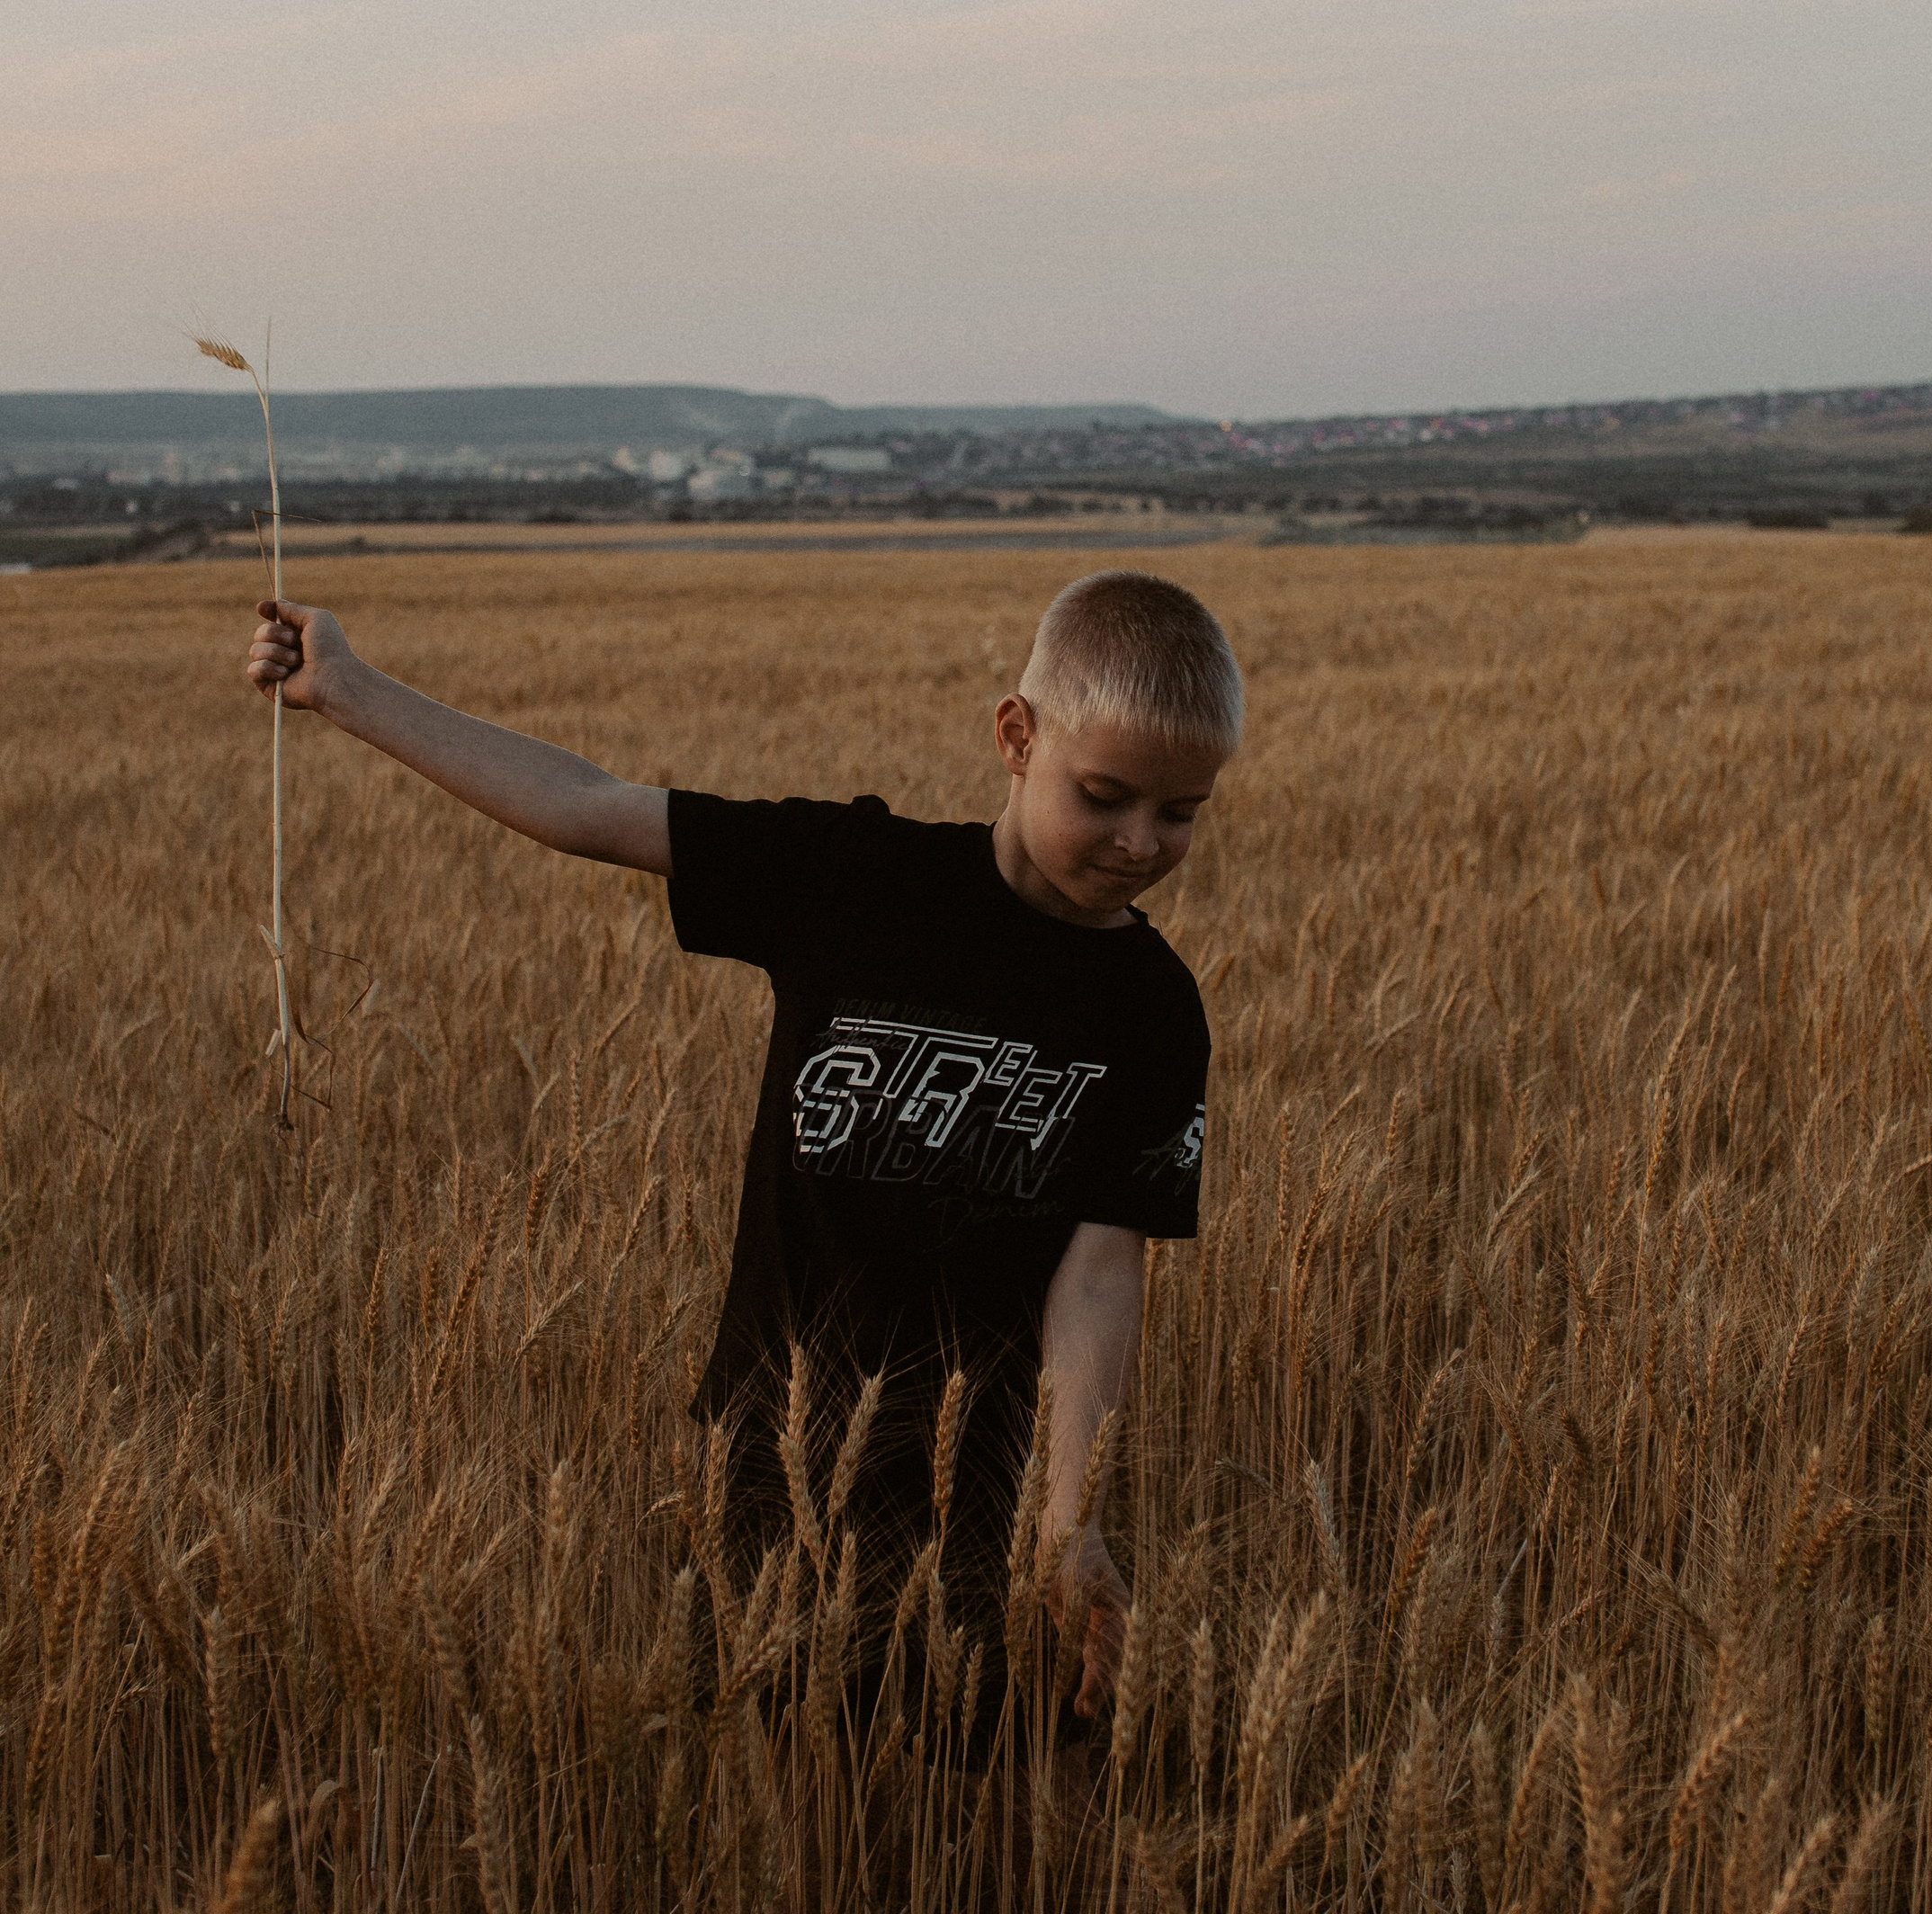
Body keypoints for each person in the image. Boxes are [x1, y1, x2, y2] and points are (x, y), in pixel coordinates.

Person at [240, 567, 1238, 1752]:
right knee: (767, 1787)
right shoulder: (853, 880)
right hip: (769, 1468)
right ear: (1017, 738)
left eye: (1179, 814)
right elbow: (590, 806)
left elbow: (1099, 1271)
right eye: (1107, 795)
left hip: (988, 1497)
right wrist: (349, 692)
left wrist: (1071, 1522)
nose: (1140, 844)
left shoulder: (1154, 1008)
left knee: (976, 1798)